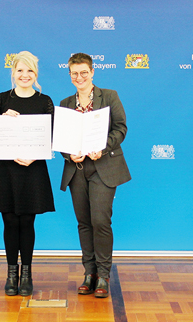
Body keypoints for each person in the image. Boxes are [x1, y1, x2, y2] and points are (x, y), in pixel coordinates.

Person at [60, 53, 131, 298]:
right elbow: (61, 140)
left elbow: (121, 128)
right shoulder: (66, 102)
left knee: (100, 221)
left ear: (92, 72)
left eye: (84, 72)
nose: (79, 77)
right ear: (70, 75)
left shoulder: (109, 96)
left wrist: (103, 147)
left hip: (104, 167)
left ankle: (103, 274)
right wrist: (70, 154)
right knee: (84, 222)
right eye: (74, 73)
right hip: (77, 170)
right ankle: (89, 273)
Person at [0, 51, 55, 297]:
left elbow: (52, 137)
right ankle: (11, 274)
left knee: (27, 221)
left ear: (36, 74)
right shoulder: (2, 99)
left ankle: (27, 274)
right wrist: (2, 120)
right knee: (9, 221)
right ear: (13, 73)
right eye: (20, 71)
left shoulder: (44, 100)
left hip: (32, 169)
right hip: (5, 169)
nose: (24, 75)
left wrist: (34, 155)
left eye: (30, 71)